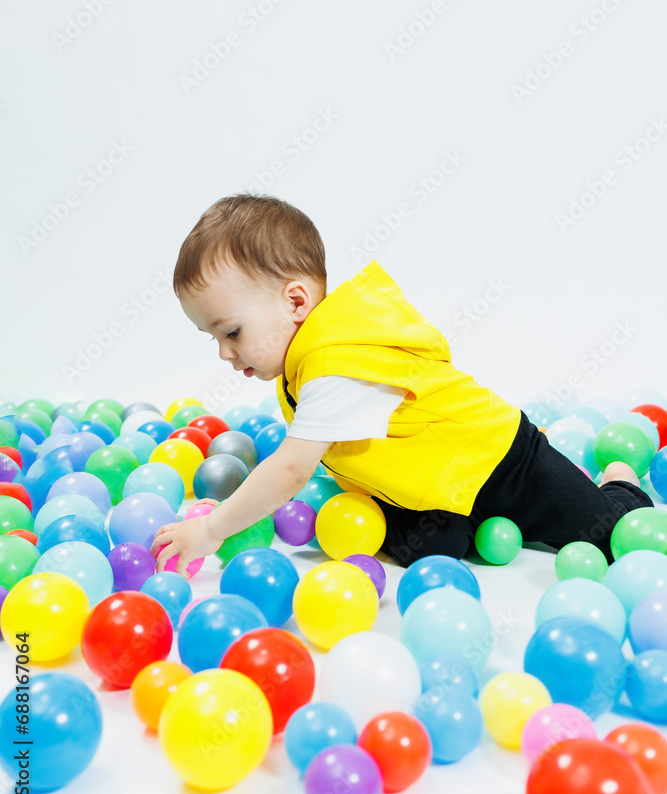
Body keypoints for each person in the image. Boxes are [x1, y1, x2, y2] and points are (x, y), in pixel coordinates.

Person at [151, 193, 653, 577]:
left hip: (502, 459)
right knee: (435, 551)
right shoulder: (303, 362)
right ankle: (466, 523)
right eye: (212, 337)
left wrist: (213, 529)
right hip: (438, 484)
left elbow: (290, 469)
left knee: (616, 539)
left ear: (296, 301)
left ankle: (619, 486)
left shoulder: (338, 363)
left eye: (232, 332)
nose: (224, 353)